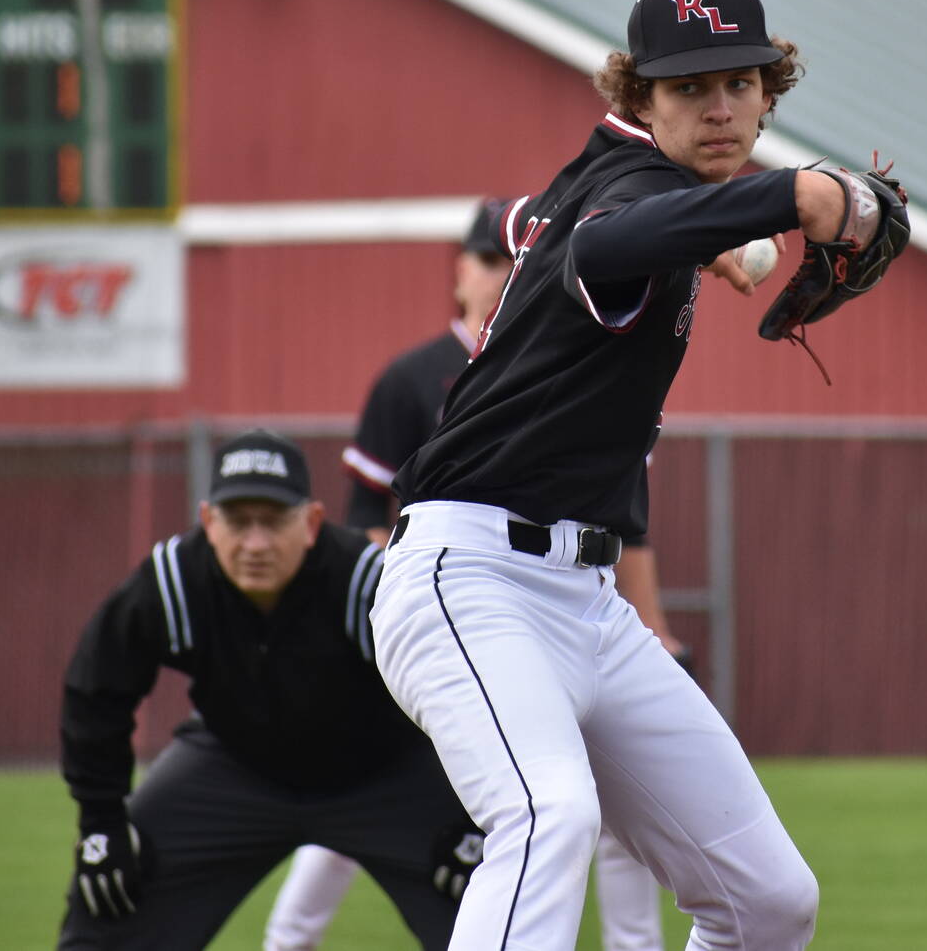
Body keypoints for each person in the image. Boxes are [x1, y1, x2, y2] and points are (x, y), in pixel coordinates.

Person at [371, 0, 895, 950]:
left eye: (739, 83)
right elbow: (605, 245)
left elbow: (557, 221)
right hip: (467, 577)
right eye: (688, 87)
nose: (719, 107)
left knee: (766, 901)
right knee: (546, 817)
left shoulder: (618, 182)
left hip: (588, 606)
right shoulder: (624, 192)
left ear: (767, 91)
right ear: (637, 95)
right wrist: (799, 195)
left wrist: (716, 233)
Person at [264, 200, 681, 951]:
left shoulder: (583, 364)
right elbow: (369, 518)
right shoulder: (414, 376)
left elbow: (627, 524)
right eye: (488, 258)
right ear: (458, 273)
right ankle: (288, 939)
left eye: (512, 259)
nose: (501, 273)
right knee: (362, 794)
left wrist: (653, 627)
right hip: (448, 608)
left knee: (608, 810)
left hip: (568, 608)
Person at [56, 428, 482, 951]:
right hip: (235, 766)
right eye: (237, 521)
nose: (255, 543)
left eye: (274, 521)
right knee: (113, 889)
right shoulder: (173, 581)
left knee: (490, 894)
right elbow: (96, 689)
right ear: (208, 522)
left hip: (385, 776)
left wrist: (472, 820)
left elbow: (462, 695)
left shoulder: (366, 581)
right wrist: (101, 822)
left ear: (311, 523)